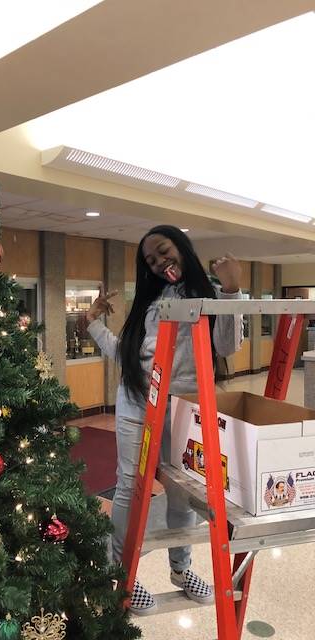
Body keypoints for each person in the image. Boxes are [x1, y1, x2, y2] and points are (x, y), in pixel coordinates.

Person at [85, 225, 243, 615]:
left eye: (163, 251)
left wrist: (232, 290)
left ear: (181, 246)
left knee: (182, 492)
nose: (158, 262)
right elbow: (130, 356)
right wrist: (91, 323)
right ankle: (122, 574)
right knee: (129, 487)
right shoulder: (150, 300)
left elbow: (228, 346)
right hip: (139, 404)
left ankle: (181, 568)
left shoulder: (203, 292)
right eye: (150, 261)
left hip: (185, 406)